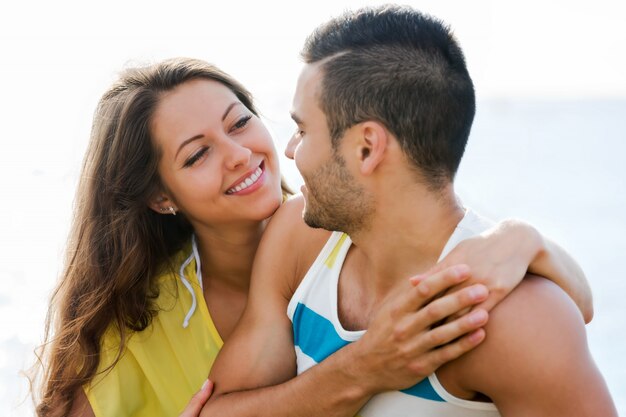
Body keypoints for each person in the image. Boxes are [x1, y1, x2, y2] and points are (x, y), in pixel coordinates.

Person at [31, 56, 591, 417]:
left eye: (240, 122)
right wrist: (368, 364)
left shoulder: (324, 234)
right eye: (198, 154)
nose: (240, 155)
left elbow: (562, 311)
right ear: (162, 197)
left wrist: (525, 236)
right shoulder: (143, 311)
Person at [201, 5, 617, 417]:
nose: (291, 150)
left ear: (367, 148)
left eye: (304, 130)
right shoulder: (299, 238)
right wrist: (362, 368)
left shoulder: (511, 320)